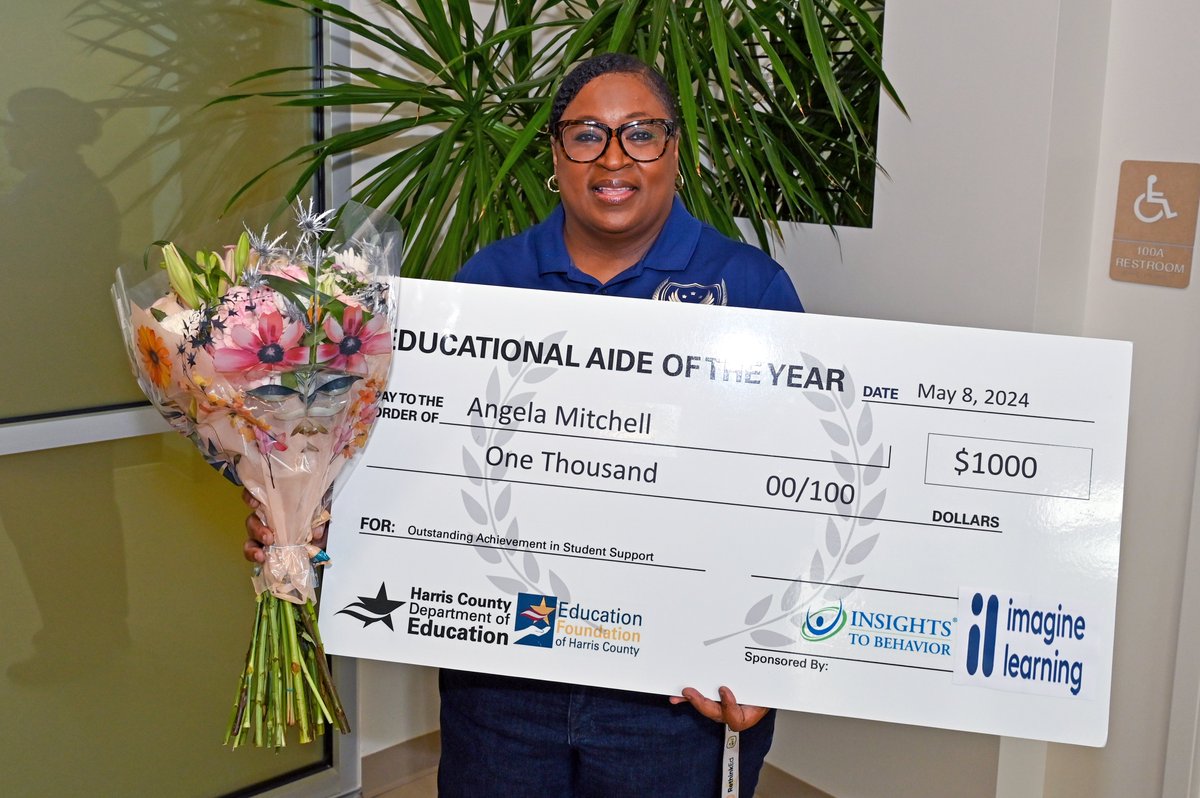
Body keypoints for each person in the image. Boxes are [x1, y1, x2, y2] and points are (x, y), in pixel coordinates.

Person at [245, 53, 803, 796]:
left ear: (674, 148)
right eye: (587, 135)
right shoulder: (488, 283)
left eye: (641, 133)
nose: (613, 158)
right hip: (504, 687)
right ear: (555, 153)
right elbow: (422, 459)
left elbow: (801, 499)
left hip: (673, 696)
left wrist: (771, 658)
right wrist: (310, 519)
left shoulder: (752, 290)